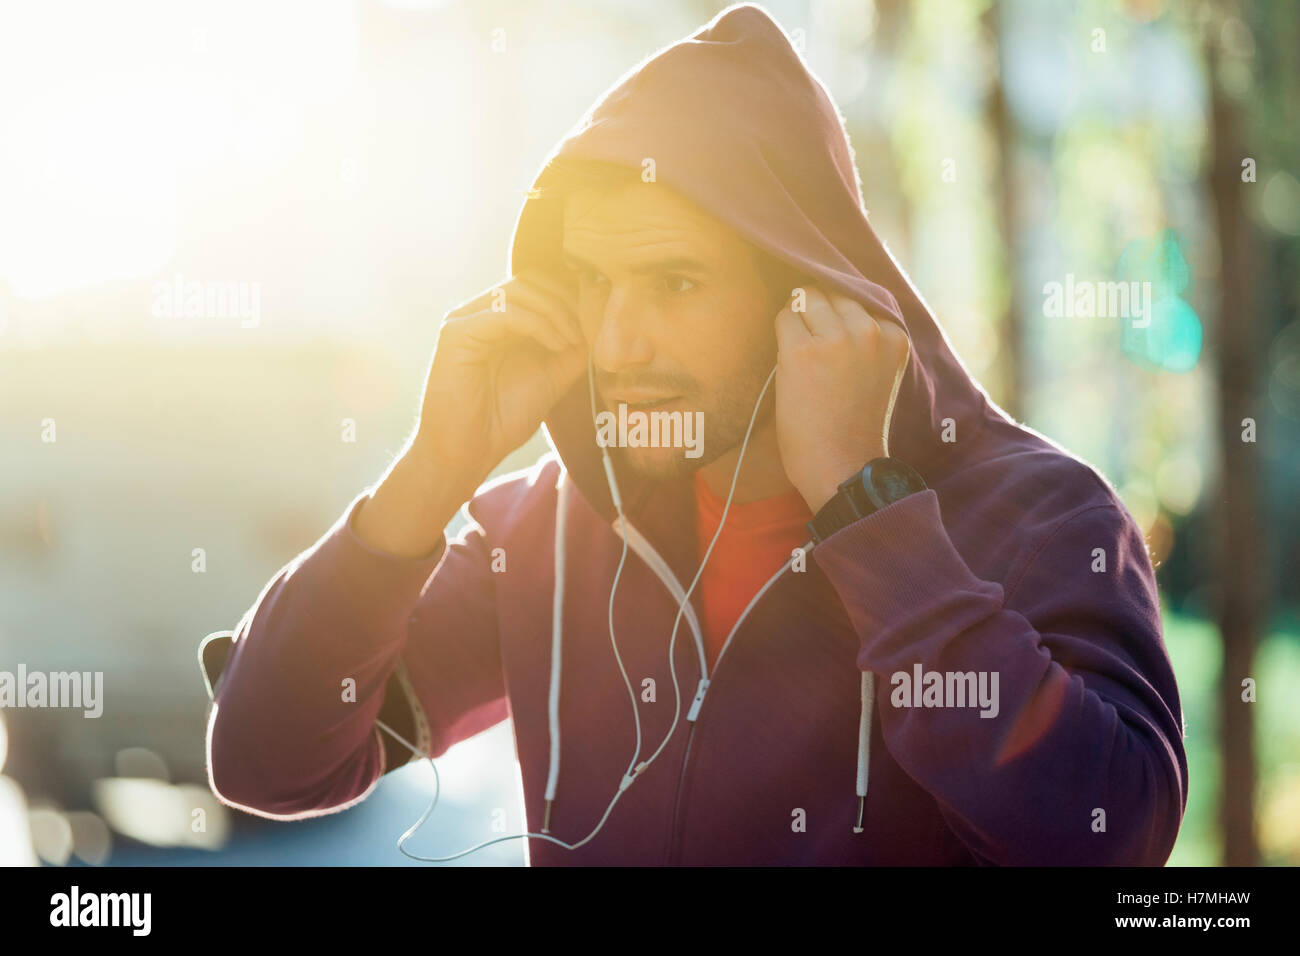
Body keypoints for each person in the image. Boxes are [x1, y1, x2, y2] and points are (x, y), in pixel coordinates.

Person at [205, 3, 1186, 865]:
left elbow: (1106, 834)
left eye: (674, 283)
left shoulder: (1033, 515)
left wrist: (866, 508)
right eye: (594, 284)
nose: (619, 342)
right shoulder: (549, 528)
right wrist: (430, 473)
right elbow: (266, 758)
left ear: (800, 290)